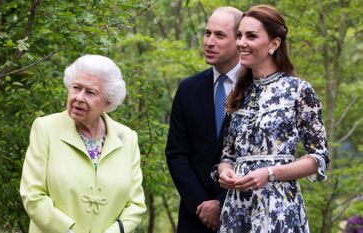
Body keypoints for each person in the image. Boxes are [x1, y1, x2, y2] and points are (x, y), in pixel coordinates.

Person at [213, 4, 330, 233]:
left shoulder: (299, 91)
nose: (241, 43)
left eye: (251, 36)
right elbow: (227, 155)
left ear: (274, 44)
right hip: (236, 211)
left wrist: (270, 173)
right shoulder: (238, 93)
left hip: (278, 209)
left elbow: (319, 158)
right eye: (239, 35)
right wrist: (225, 171)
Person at [20, 55, 146, 233]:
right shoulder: (46, 128)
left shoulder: (127, 138)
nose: (79, 97)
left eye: (90, 92)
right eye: (76, 88)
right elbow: (33, 195)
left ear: (108, 102)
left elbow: (135, 204)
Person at [165, 6, 243, 233]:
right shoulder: (188, 89)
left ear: (239, 40)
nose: (209, 41)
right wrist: (201, 203)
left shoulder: (257, 91)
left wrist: (222, 203)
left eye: (219, 35)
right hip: (194, 217)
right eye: (207, 33)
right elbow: (176, 153)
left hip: (243, 213)